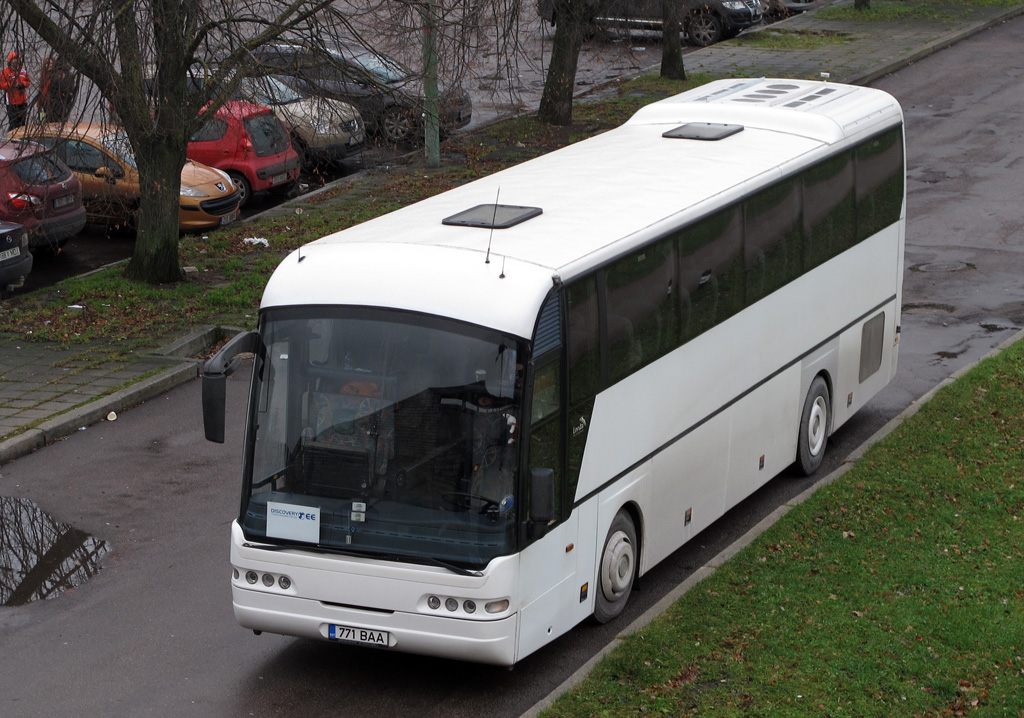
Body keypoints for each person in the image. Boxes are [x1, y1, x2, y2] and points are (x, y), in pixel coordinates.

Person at [37, 54, 77, 124]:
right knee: (42, 118)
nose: (49, 65)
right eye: (47, 64)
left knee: (51, 120)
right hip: (44, 101)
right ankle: (40, 123)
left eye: (51, 64)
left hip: (52, 101)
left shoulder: (55, 75)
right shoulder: (44, 75)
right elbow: (41, 89)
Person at [1, 51, 30, 130]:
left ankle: (21, 140)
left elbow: (28, 82)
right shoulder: (5, 72)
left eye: (16, 59)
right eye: (13, 60)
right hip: (11, 102)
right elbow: (2, 85)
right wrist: (12, 85)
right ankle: (11, 140)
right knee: (13, 123)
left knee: (22, 123)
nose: (15, 62)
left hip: (23, 101)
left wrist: (22, 84)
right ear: (10, 61)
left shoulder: (23, 70)